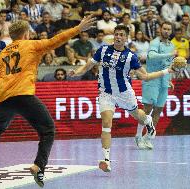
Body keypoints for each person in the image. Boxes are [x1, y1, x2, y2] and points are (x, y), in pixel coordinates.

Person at [0, 16, 96, 187]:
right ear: (25, 34)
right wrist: (77, 29)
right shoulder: (31, 45)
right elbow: (56, 40)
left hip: (3, 99)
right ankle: (38, 165)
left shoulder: (1, 54)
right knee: (48, 130)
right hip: (23, 95)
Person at [69, 25, 174, 172]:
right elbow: (87, 66)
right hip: (106, 93)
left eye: (122, 35)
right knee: (106, 123)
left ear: (126, 38)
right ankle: (106, 160)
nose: (118, 37)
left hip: (125, 93)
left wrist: (167, 71)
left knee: (138, 116)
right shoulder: (103, 50)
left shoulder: (131, 57)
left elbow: (145, 76)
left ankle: (149, 122)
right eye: (116, 34)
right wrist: (76, 72)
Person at [135, 21, 177, 150]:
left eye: (169, 29)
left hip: (164, 80)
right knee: (147, 109)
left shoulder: (172, 45)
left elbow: (168, 64)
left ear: (171, 31)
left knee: (158, 110)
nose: (166, 31)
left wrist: (168, 79)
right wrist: (170, 54)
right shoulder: (155, 43)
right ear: (160, 29)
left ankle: (147, 138)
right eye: (164, 28)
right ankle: (138, 136)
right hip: (151, 79)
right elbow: (152, 56)